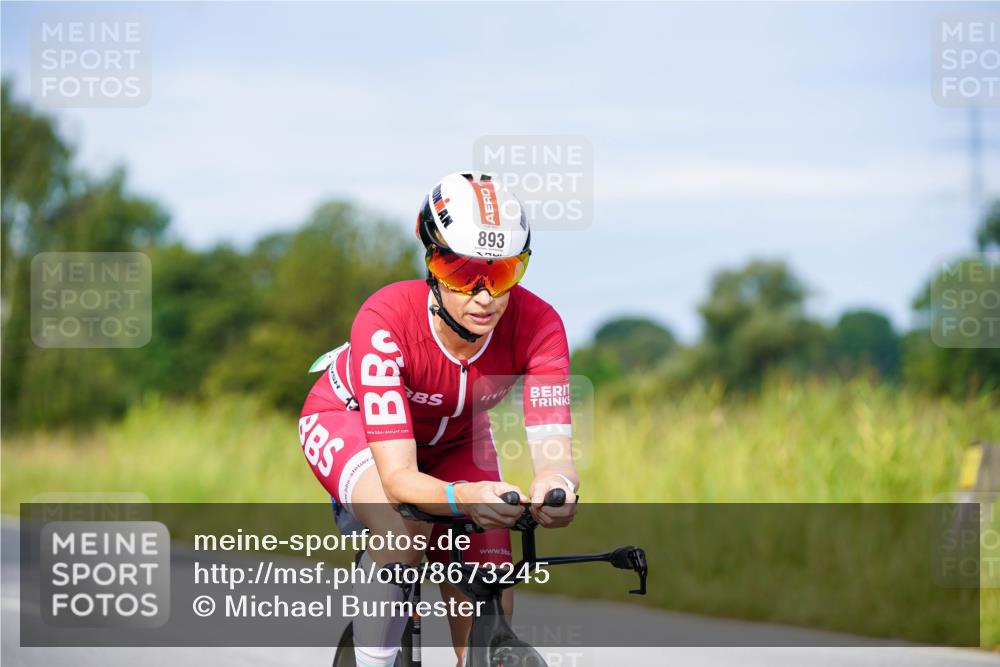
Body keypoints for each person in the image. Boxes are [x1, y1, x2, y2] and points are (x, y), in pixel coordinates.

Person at [298, 171, 578, 667]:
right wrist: (464, 498)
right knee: (402, 531)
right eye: (462, 272)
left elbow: (555, 457)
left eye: (502, 273)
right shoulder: (386, 317)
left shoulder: (540, 326)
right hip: (350, 421)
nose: (484, 296)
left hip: (456, 440)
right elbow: (398, 478)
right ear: (432, 261)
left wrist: (556, 489)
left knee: (489, 582)